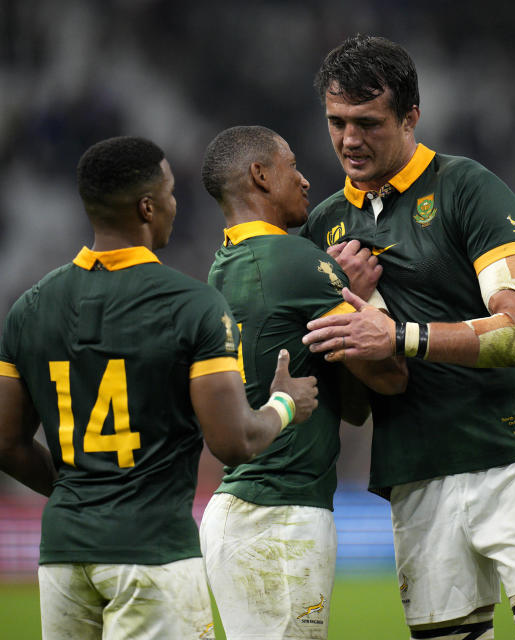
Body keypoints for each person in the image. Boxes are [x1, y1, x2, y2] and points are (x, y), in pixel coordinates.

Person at [299, 35, 515, 640]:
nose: (349, 140)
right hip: (415, 472)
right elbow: (351, 405)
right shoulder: (322, 227)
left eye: (367, 122)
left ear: (411, 117)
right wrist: (342, 303)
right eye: (336, 122)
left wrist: (400, 334)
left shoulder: (467, 188)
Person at [0, 135, 318, 640]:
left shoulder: (30, 307)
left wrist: (82, 493)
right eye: (169, 192)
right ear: (147, 207)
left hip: (63, 555)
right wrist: (286, 404)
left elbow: (3, 446)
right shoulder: (192, 306)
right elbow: (233, 441)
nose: (175, 205)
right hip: (152, 553)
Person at [198, 125, 407, 640]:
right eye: (292, 165)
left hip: (250, 511)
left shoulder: (222, 268)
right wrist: (359, 298)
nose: (306, 179)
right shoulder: (296, 261)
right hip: (278, 516)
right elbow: (391, 378)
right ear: (260, 175)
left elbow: (351, 406)